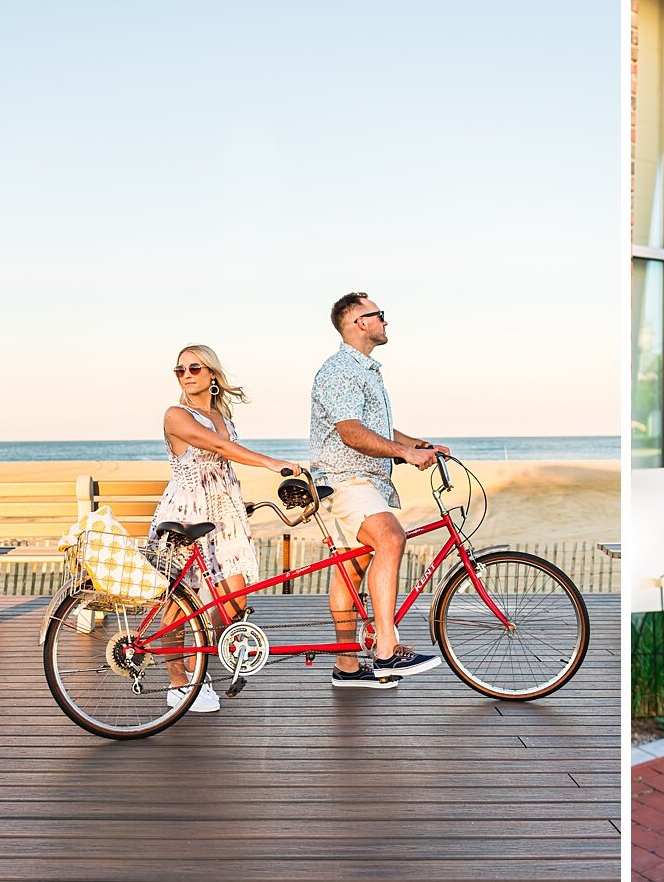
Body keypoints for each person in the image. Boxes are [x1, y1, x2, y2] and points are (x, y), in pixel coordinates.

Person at [150, 344, 305, 714]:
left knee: (234, 604)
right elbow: (217, 447)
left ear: (213, 375)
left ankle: (197, 665)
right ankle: (178, 682)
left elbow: (220, 464)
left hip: (225, 516)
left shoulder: (221, 415)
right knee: (179, 605)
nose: (186, 375)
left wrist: (238, 503)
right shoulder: (176, 414)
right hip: (188, 514)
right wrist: (270, 463)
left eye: (195, 368)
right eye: (180, 370)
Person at [309, 292, 447, 687]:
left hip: (364, 480)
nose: (386, 321)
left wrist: (417, 446)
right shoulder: (340, 370)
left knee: (349, 573)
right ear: (359, 323)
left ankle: (348, 667)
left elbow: (375, 431)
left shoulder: (365, 370)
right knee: (390, 538)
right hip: (347, 478)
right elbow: (351, 433)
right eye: (379, 315)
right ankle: (386, 650)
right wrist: (403, 451)